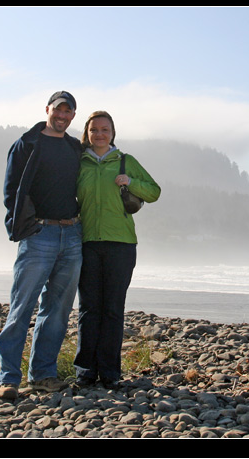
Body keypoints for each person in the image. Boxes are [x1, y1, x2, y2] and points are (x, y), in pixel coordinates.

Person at [0, 91, 83, 400]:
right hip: (39, 235)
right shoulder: (27, 144)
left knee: (57, 311)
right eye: (58, 109)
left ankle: (43, 375)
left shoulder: (75, 147)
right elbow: (11, 191)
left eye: (68, 111)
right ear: (48, 109)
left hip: (72, 235)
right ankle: (8, 379)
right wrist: (23, 228)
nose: (62, 115)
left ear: (73, 115)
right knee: (21, 309)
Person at [74, 110, 161, 388]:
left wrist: (131, 182)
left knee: (112, 308)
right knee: (88, 309)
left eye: (105, 129)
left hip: (121, 245)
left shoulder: (125, 161)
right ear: (87, 134)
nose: (99, 134)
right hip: (86, 242)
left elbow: (154, 192)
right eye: (94, 130)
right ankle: (85, 372)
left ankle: (110, 372)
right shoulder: (79, 163)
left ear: (112, 133)